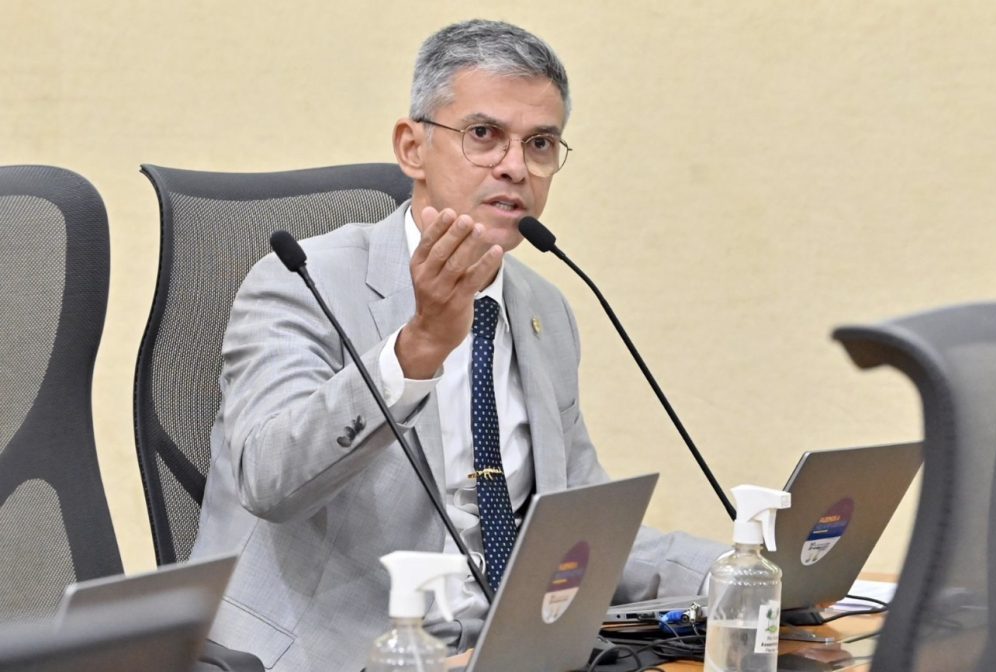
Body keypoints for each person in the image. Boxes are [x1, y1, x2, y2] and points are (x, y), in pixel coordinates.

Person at [192, 19, 727, 672]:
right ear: (412, 147)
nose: (514, 166)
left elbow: (580, 530)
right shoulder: (301, 279)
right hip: (341, 654)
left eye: (540, 143)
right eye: (483, 135)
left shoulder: (544, 311)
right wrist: (416, 350)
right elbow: (269, 479)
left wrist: (740, 568)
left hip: (503, 651)